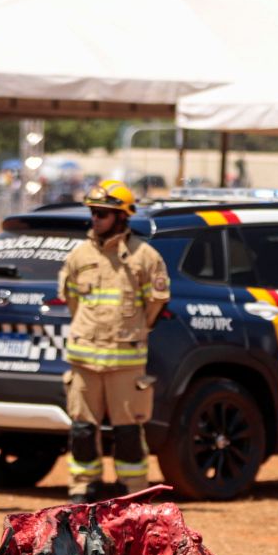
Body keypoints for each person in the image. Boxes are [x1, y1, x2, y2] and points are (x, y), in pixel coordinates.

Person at [57, 178, 169, 501]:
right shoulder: (78, 256)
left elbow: (156, 305)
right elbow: (73, 301)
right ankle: (83, 489)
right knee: (81, 430)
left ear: (122, 217)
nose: (96, 220)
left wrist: (132, 332)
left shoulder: (145, 257)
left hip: (125, 362)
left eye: (103, 214)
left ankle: (133, 491)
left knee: (129, 431)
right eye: (93, 213)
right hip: (84, 358)